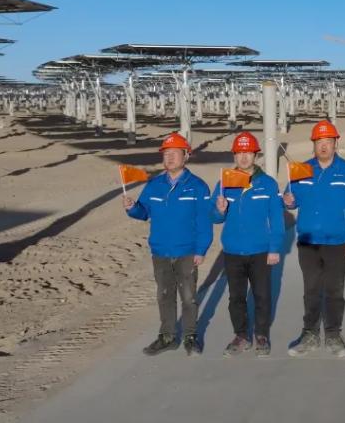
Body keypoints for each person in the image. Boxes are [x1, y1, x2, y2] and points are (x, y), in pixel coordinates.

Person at [123, 132, 212, 356]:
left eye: (174, 153)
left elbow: (204, 221)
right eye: (166, 154)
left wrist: (201, 250)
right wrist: (132, 208)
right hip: (161, 251)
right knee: (164, 295)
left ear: (186, 156)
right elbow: (143, 212)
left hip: (187, 251)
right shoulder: (154, 185)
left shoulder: (198, 187)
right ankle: (168, 337)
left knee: (189, 297)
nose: (170, 158)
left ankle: (191, 337)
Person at [284, 120, 345, 358]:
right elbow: (291, 199)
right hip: (308, 241)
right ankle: (309, 334)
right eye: (319, 142)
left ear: (335, 143)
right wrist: (288, 200)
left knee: (334, 290)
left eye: (328, 141)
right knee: (311, 290)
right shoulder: (301, 170)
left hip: (336, 241)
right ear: (314, 144)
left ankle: (333, 334)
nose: (323, 146)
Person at [212, 131, 286, 357]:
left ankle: (261, 335)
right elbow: (214, 218)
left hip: (260, 250)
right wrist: (219, 210)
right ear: (234, 155)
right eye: (239, 153)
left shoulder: (268, 184)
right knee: (236, 298)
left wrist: (274, 248)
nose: (243, 157)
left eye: (248, 153)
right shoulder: (224, 182)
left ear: (255, 155)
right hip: (233, 250)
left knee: (262, 295)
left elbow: (277, 218)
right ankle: (241, 335)